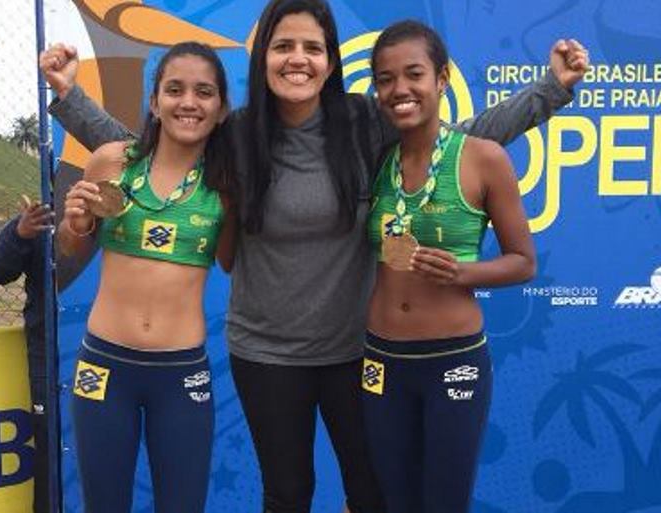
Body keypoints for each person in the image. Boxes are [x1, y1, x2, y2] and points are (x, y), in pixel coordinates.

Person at [39, 2, 588, 511]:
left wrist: (550, 90)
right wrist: (70, 98)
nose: (297, 59)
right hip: (265, 352)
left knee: (371, 494)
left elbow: (459, 142)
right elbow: (153, 156)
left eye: (312, 47)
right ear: (264, 59)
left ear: (329, 62)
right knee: (288, 494)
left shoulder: (362, 124)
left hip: (355, 351)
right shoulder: (238, 134)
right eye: (283, 46)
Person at [362, 20, 566, 513]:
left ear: (441, 79)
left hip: (452, 360)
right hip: (381, 361)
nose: (400, 90)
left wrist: (462, 273)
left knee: (445, 502)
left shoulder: (482, 158)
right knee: (392, 501)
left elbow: (524, 263)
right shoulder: (374, 158)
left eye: (413, 74)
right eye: (386, 80)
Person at [56, 41, 234, 513]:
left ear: (220, 108)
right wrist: (74, 226)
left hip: (181, 375)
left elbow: (234, 263)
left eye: (203, 92)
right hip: (104, 367)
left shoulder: (227, 183)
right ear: (154, 102)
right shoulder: (113, 162)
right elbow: (69, 248)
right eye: (174, 90)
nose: (188, 102)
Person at [0, 194, 54, 513]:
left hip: (108, 348)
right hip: (47, 354)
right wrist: (19, 234)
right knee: (49, 445)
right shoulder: (41, 216)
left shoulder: (119, 209)